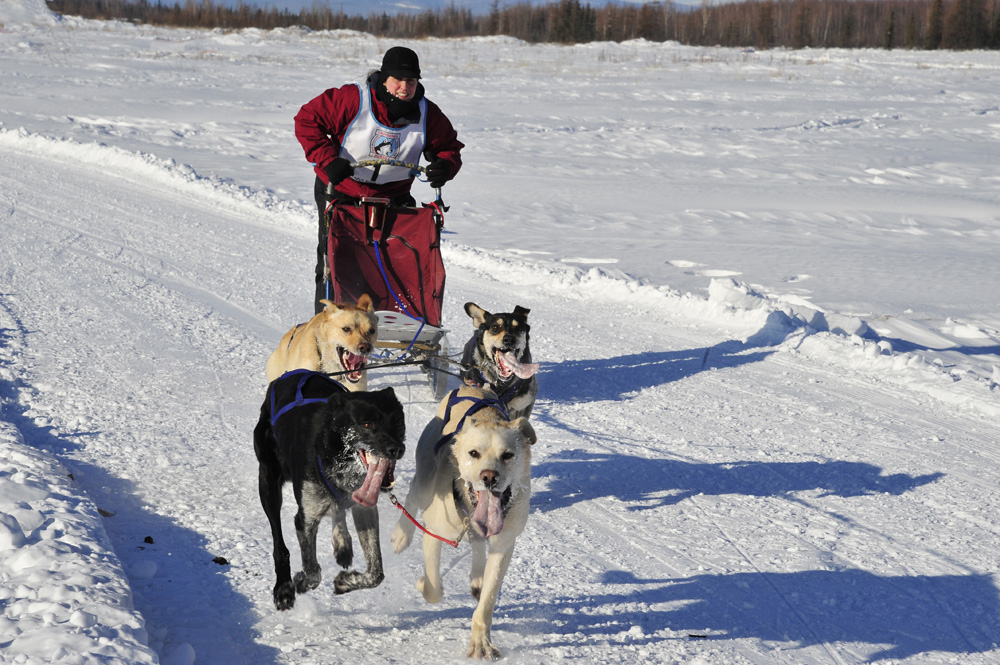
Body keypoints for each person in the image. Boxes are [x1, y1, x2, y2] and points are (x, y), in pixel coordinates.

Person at [294, 46, 464, 314]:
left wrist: (445, 165)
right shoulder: (353, 99)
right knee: (335, 259)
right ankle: (329, 324)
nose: (404, 87)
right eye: (398, 79)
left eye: (411, 81)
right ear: (384, 78)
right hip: (342, 191)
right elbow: (307, 120)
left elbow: (449, 148)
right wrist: (328, 161)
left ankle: (394, 322)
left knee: (396, 260)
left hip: (393, 196)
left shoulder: (427, 113)